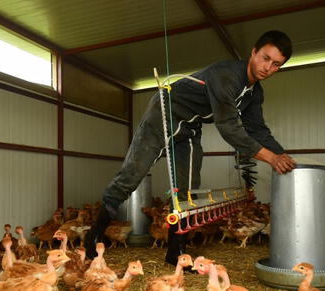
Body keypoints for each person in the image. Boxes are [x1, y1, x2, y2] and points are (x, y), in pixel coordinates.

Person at [85, 30, 297, 264]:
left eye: (276, 64)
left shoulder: (254, 93)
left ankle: (176, 253)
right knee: (132, 176)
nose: (268, 67)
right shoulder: (227, 75)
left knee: (187, 189)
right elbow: (229, 128)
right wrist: (271, 158)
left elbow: (257, 129)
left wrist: (282, 154)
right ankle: (92, 237)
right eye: (265, 58)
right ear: (254, 52)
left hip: (190, 126)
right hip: (164, 114)